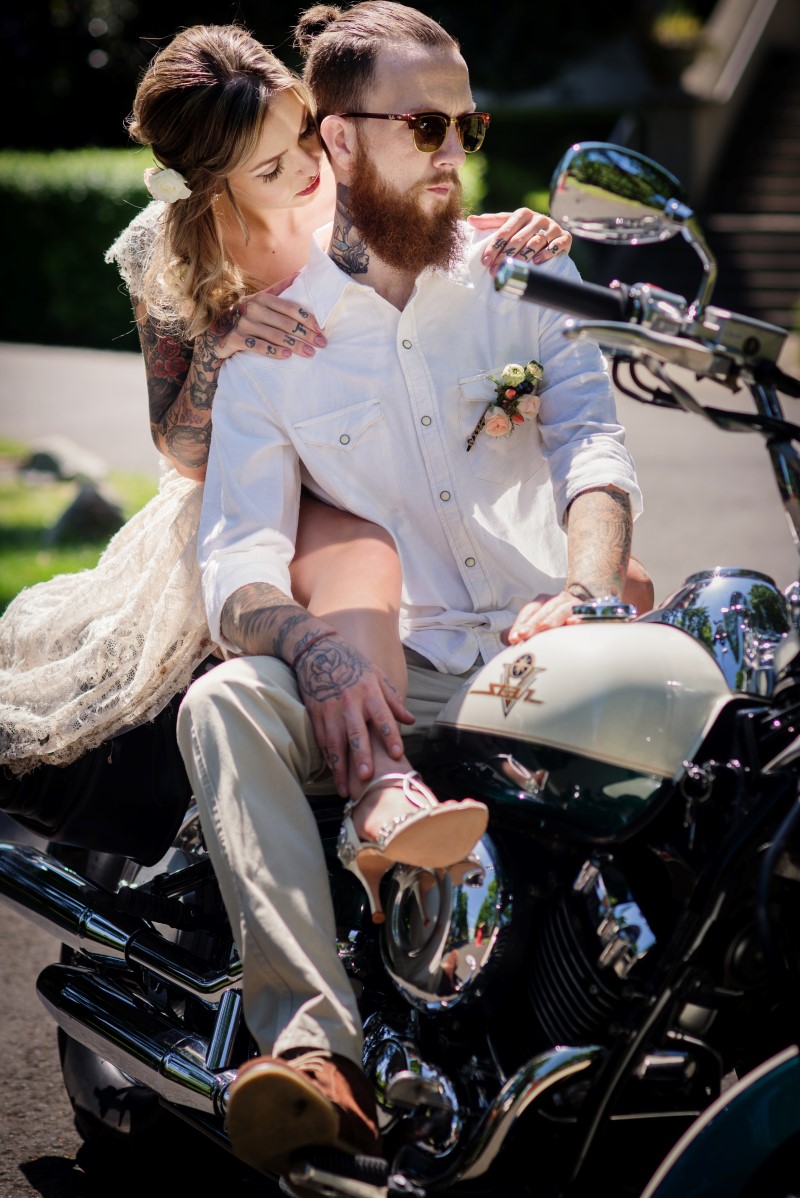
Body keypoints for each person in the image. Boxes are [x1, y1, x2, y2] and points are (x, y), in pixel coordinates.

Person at [173, 0, 646, 1181]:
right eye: (424, 125)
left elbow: (593, 445)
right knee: (223, 702)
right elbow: (234, 553)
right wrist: (313, 649)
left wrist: (587, 590)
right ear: (336, 142)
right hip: (412, 667)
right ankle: (314, 1054)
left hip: (557, 643)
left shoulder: (520, 272)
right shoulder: (270, 344)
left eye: (466, 123)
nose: (454, 154)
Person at [0, 23, 578, 845]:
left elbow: (421, 237)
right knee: (361, 554)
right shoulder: (167, 253)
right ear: (204, 187)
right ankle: (382, 783)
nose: (309, 168)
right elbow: (178, 448)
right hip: (267, 476)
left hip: (368, 447)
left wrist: (505, 235)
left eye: (305, 135)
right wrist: (221, 351)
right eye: (271, 168)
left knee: (605, 573)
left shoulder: (338, 175)